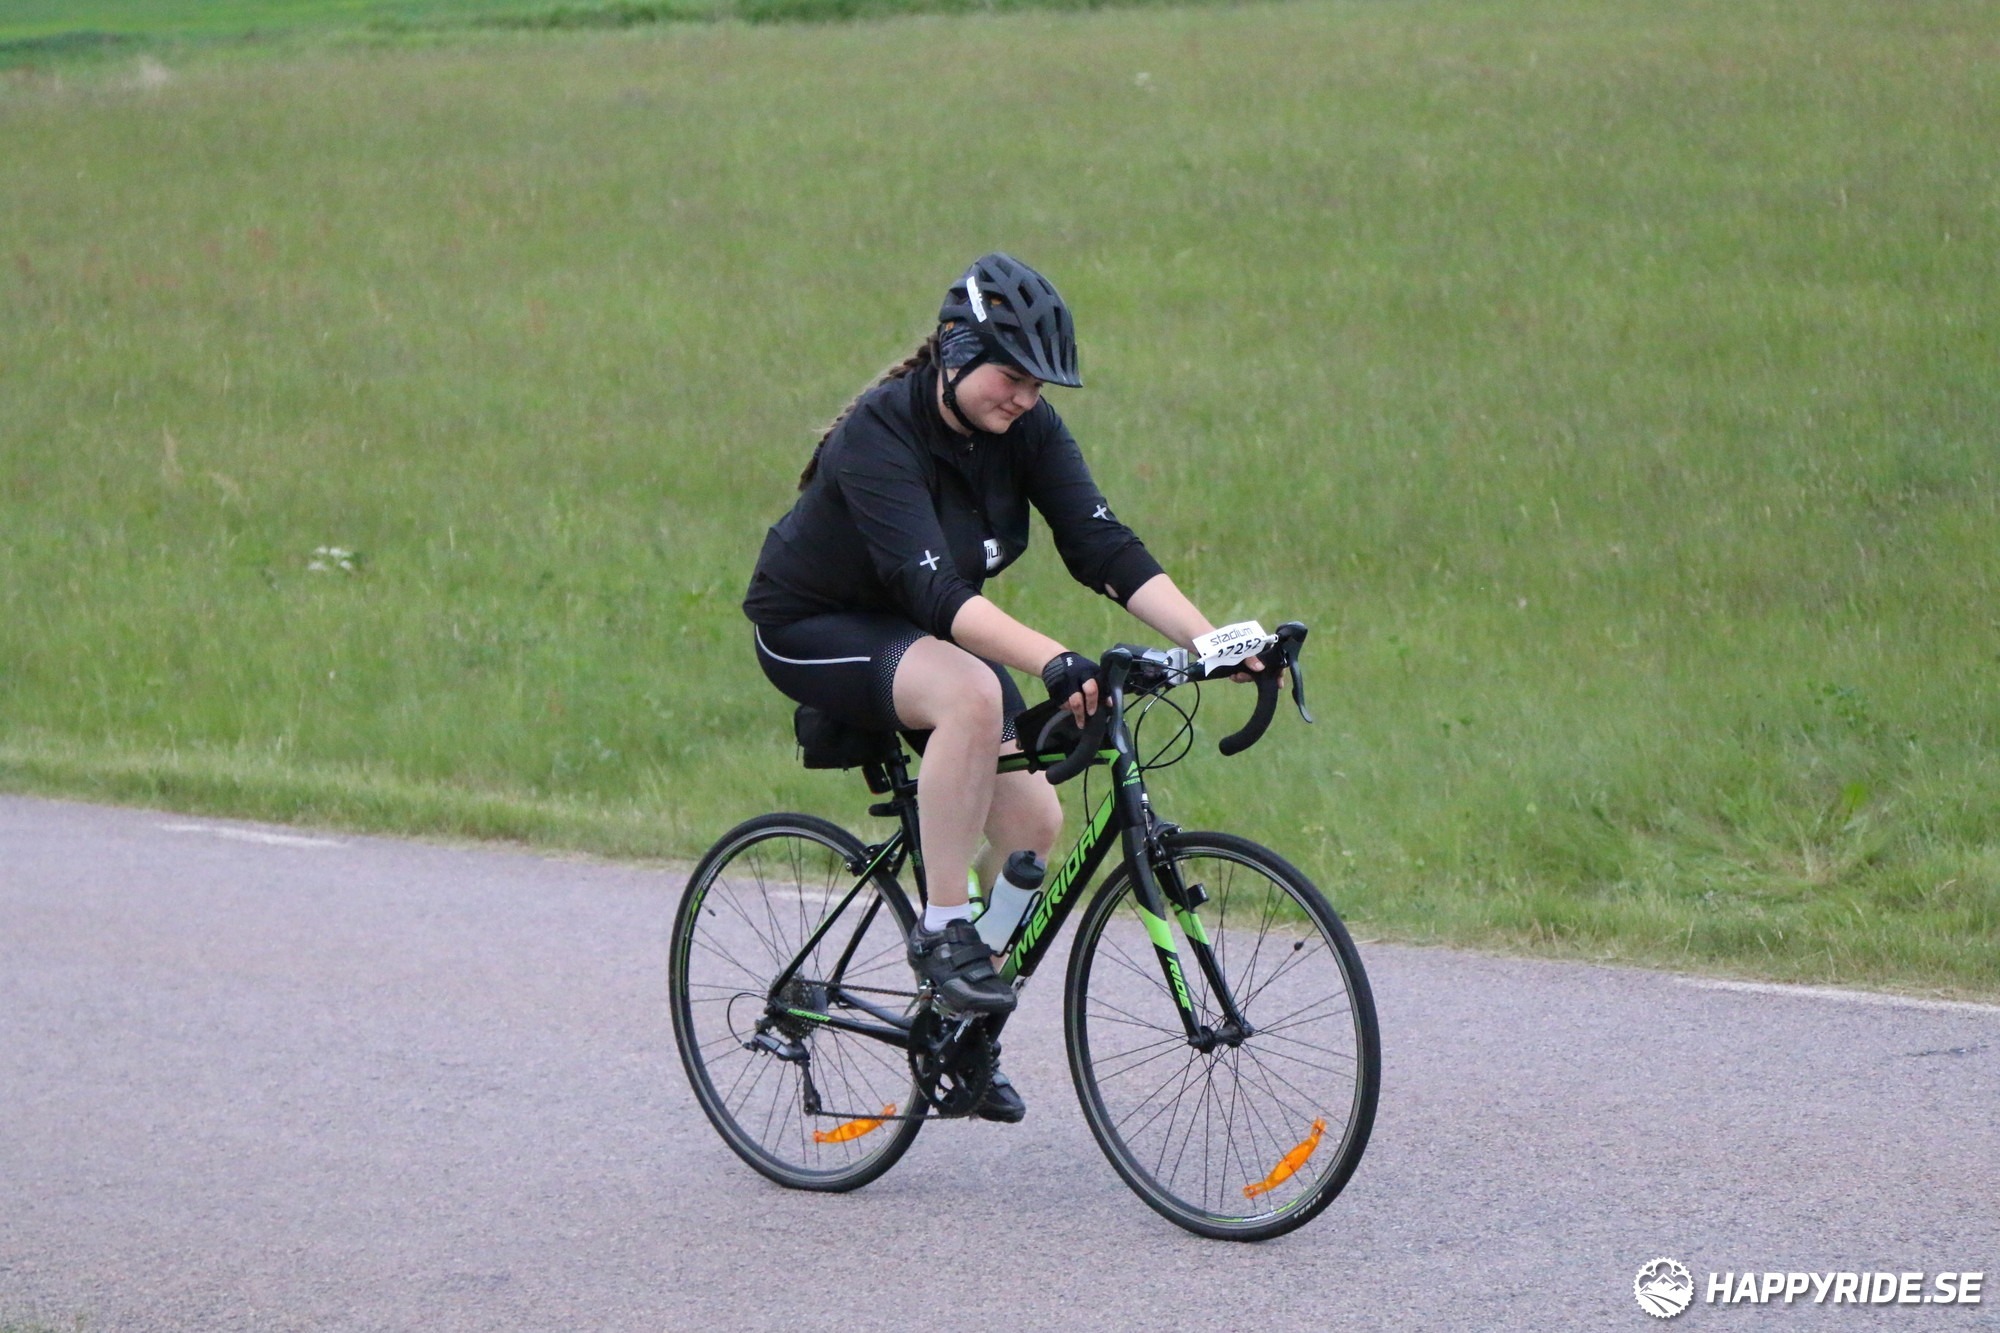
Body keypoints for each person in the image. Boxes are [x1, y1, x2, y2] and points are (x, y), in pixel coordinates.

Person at [742, 253, 1259, 1123]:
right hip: (813, 624)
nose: (1024, 398)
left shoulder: (1029, 431)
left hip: (922, 632)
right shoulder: (880, 433)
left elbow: (1102, 545)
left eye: (1037, 384)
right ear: (955, 348)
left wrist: (1212, 643)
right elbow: (937, 593)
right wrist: (1056, 660)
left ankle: (957, 1031)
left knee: (1033, 823)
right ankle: (942, 928)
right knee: (973, 693)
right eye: (1010, 377)